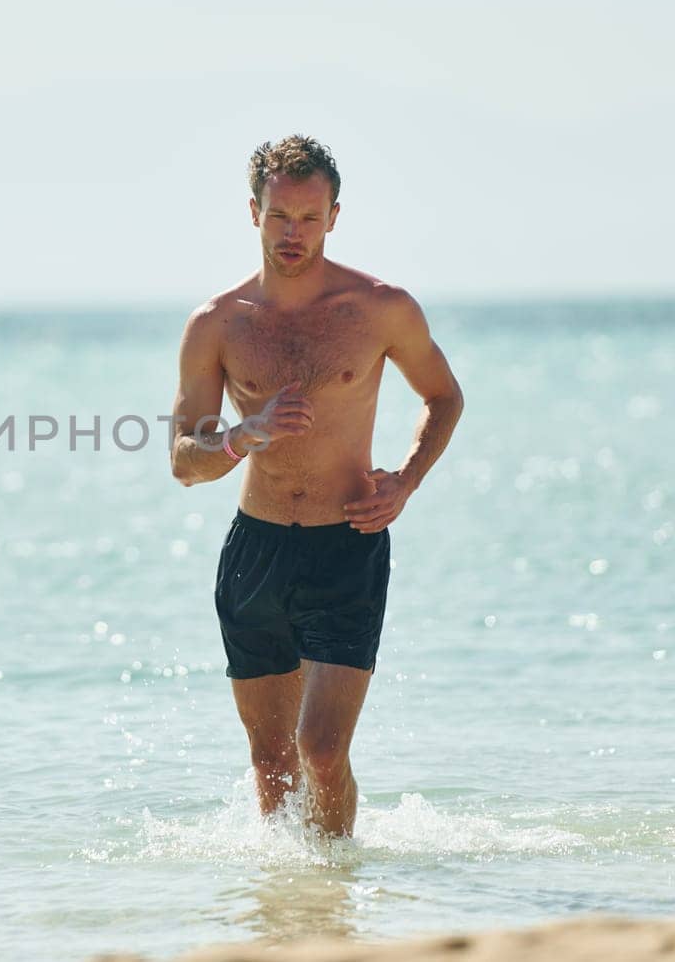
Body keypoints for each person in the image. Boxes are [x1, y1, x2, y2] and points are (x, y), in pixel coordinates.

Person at [170, 135, 463, 836]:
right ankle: (291, 912)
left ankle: (335, 888)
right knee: (272, 761)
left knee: (322, 751)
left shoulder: (380, 308)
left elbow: (444, 396)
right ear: (253, 213)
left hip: (348, 545)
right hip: (256, 550)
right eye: (278, 216)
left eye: (308, 216)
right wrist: (246, 434)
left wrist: (408, 479)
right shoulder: (217, 324)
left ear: (334, 215)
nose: (292, 232)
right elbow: (185, 459)